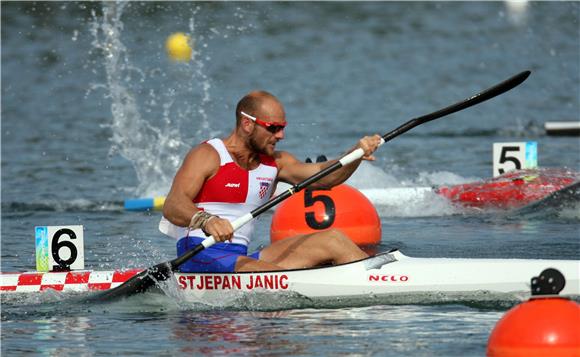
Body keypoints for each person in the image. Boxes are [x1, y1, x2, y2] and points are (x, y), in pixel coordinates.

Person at [159, 90, 382, 273]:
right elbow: (173, 205)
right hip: (199, 255)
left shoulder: (277, 163)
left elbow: (327, 177)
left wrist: (356, 154)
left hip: (240, 258)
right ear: (247, 124)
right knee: (264, 272)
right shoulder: (208, 154)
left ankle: (380, 279)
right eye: (273, 128)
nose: (280, 135)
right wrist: (207, 221)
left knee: (333, 240)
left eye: (282, 128)